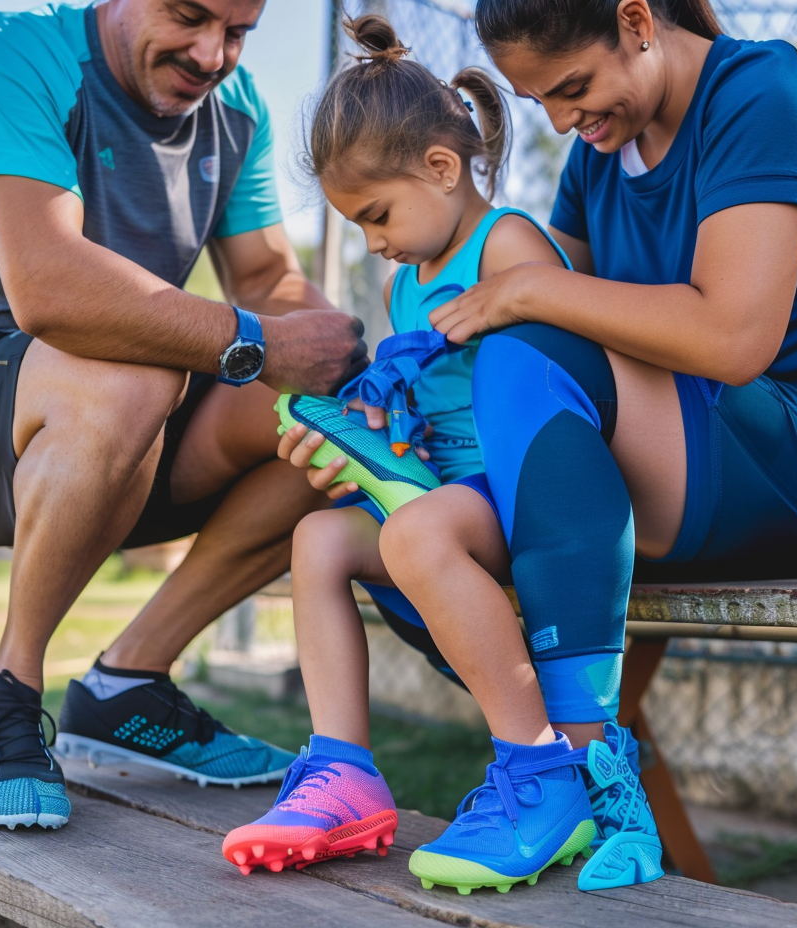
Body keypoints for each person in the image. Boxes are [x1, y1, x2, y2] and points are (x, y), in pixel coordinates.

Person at [403, 0, 797, 883]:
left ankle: (567, 768)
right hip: (692, 456)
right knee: (412, 519)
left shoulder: (761, 92)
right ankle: (550, 758)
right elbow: (522, 337)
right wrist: (395, 410)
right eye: (542, 104)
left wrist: (523, 297)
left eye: (572, 87)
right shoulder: (599, 151)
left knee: (528, 340)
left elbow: (731, 337)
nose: (566, 121)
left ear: (636, 19)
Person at [0, 0, 368, 831]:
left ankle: (127, 684)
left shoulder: (239, 114)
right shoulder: (16, 49)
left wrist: (348, 368)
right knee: (135, 373)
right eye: (190, 16)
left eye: (239, 32)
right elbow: (51, 289)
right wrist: (255, 343)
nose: (213, 54)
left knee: (328, 423)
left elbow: (270, 282)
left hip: (130, 406)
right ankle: (7, 702)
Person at [222, 16, 662, 895]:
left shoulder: (509, 245)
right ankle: (342, 769)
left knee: (417, 537)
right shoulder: (403, 281)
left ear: (440, 166)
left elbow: (551, 382)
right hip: (452, 489)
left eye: (378, 215)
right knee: (317, 539)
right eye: (359, 223)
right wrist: (368, 421)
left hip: (525, 494)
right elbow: (426, 412)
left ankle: (537, 768)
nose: (376, 240)